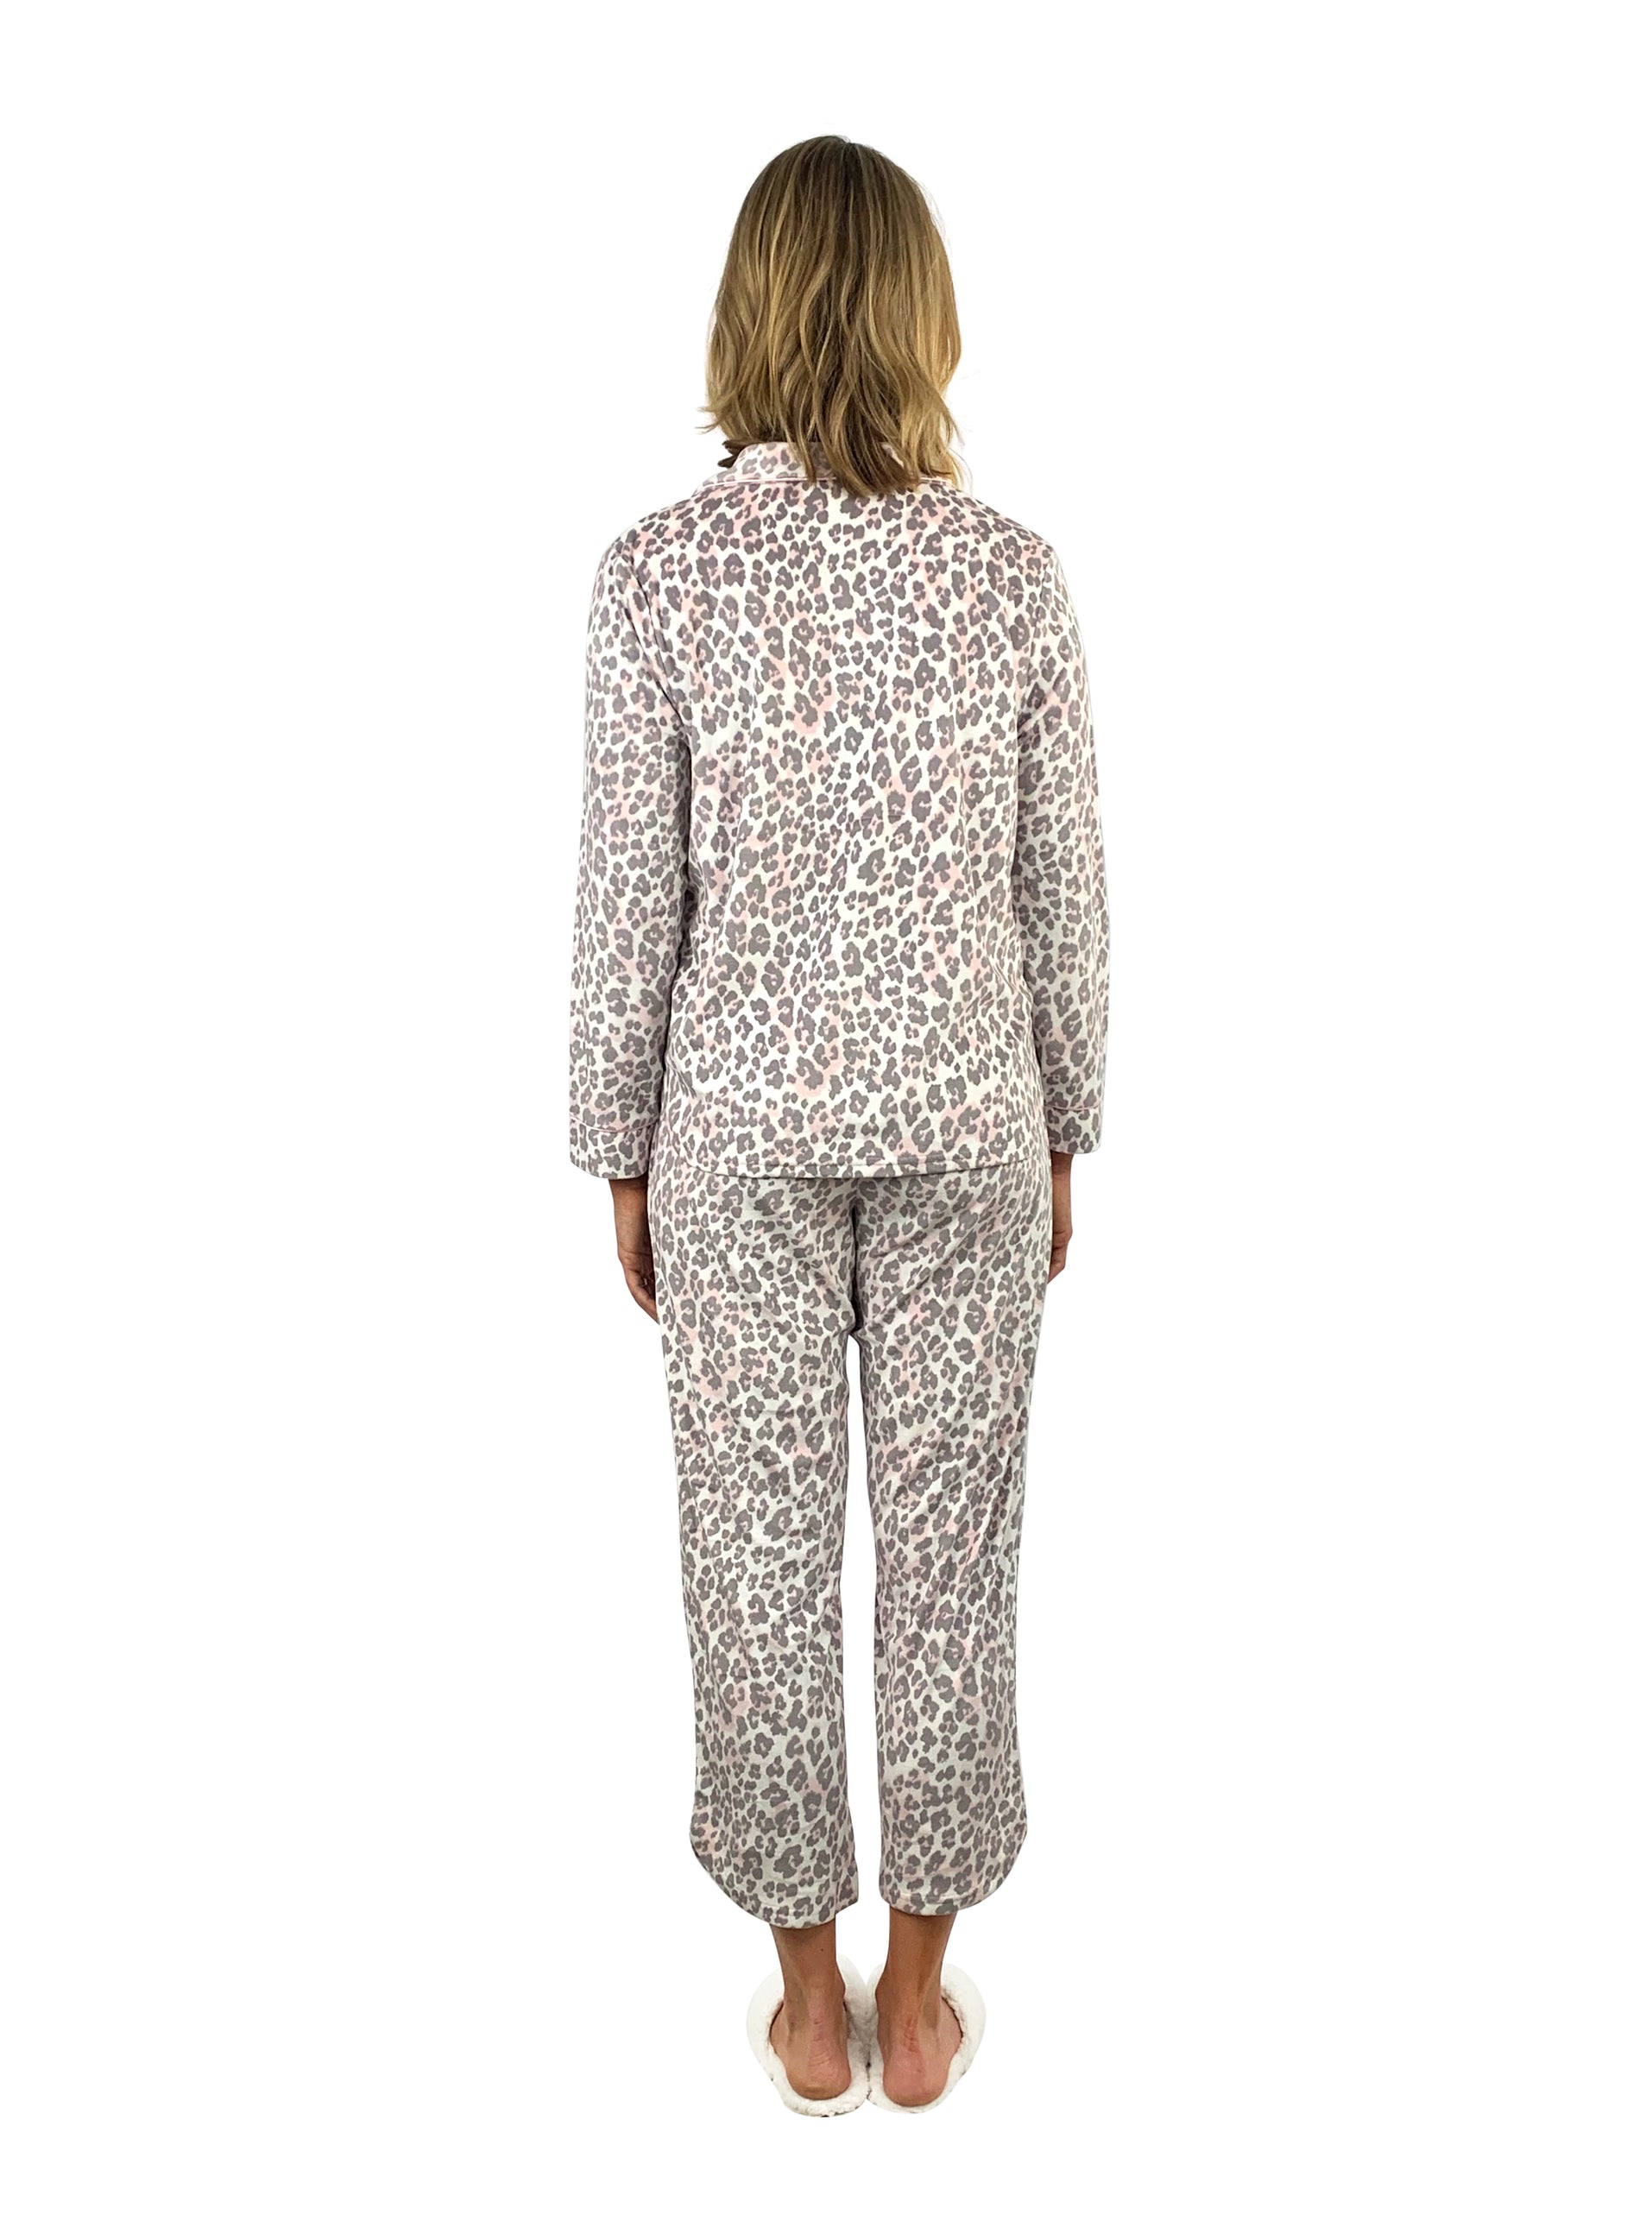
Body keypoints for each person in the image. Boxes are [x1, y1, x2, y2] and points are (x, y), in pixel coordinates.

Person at [569, 136, 1109, 2113]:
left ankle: (808, 2001)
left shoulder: (659, 573)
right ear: (920, 315)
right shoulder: (1010, 574)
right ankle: (921, 1999)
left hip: (734, 1129)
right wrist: (1068, 1116)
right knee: (953, 1559)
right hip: (971, 1115)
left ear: (749, 311)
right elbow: (1065, 887)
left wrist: (617, 1144)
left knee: (755, 1555)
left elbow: (629, 892)